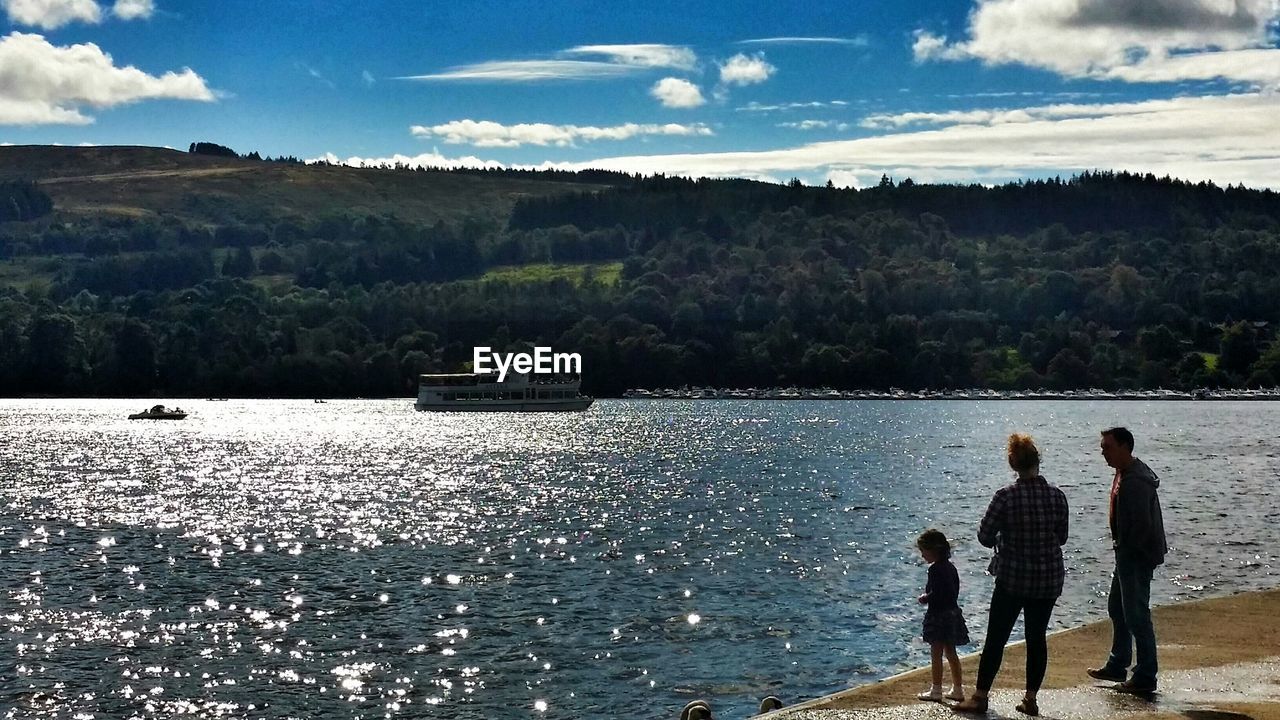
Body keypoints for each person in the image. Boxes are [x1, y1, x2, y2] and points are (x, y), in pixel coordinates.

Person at [955, 433, 1069, 716]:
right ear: (1037, 461)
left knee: (996, 637)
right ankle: (1030, 699)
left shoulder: (1005, 497)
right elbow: (1062, 537)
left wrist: (1005, 540)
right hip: (1048, 578)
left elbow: (984, 536)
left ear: (1012, 464)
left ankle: (980, 697)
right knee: (1036, 637)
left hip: (1013, 578)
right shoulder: (1057, 496)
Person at [1087, 426, 1167, 694]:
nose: (1103, 453)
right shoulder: (1125, 473)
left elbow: (1142, 526)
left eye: (1107, 447)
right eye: (1102, 448)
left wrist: (1131, 553)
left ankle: (1145, 675)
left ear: (1124, 447)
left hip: (1135, 556)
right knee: (1117, 608)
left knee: (1136, 615)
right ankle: (1118, 663)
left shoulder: (1134, 481)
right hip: (1126, 554)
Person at [914, 529, 969, 703]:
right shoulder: (951, 567)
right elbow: (953, 591)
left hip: (938, 616)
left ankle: (936, 689)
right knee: (951, 652)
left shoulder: (935, 570)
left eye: (923, 551)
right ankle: (958, 689)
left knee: (936, 653)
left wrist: (925, 598)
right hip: (953, 613)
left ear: (933, 550)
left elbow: (937, 593)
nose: (922, 555)